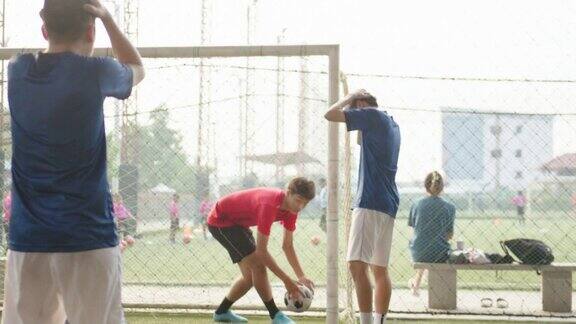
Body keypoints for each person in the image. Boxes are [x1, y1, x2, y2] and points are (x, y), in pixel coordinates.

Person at [3, 0, 145, 323]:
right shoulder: (96, 72)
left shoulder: (17, 70)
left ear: (44, 30)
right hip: (88, 236)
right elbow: (137, 68)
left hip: (29, 239)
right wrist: (108, 18)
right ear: (91, 32)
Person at [325, 89, 401, 324]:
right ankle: (379, 321)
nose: (351, 114)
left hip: (370, 201)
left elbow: (330, 114)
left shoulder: (370, 114)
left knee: (357, 266)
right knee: (379, 269)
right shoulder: (391, 123)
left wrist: (349, 98)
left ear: (362, 105)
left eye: (354, 109)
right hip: (387, 202)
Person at [207, 177, 316, 324]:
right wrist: (287, 281)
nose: (300, 206)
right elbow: (262, 252)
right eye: (298, 200)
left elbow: (287, 246)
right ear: (288, 192)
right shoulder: (269, 204)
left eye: (305, 203)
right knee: (259, 266)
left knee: (250, 278)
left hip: (237, 224)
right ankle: (275, 315)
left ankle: (222, 312)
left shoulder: (291, 210)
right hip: (221, 221)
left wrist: (300, 276)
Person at [407, 171, 455, 296]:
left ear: (425, 186)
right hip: (441, 253)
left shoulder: (416, 204)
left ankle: (416, 284)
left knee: (426, 245)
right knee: (434, 246)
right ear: (442, 188)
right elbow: (449, 235)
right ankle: (418, 284)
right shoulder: (449, 207)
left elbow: (414, 230)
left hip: (418, 251)